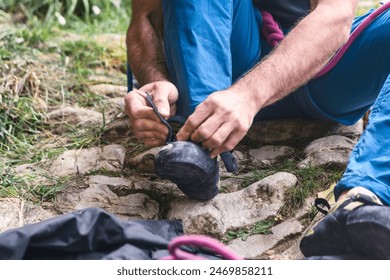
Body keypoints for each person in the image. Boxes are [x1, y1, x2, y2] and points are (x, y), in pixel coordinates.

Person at [124, 0, 390, 258]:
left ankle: (365, 194)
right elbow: (144, 18)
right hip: (231, 64)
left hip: (327, 67)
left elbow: (335, 14)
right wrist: (160, 84)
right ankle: (200, 137)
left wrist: (248, 96)